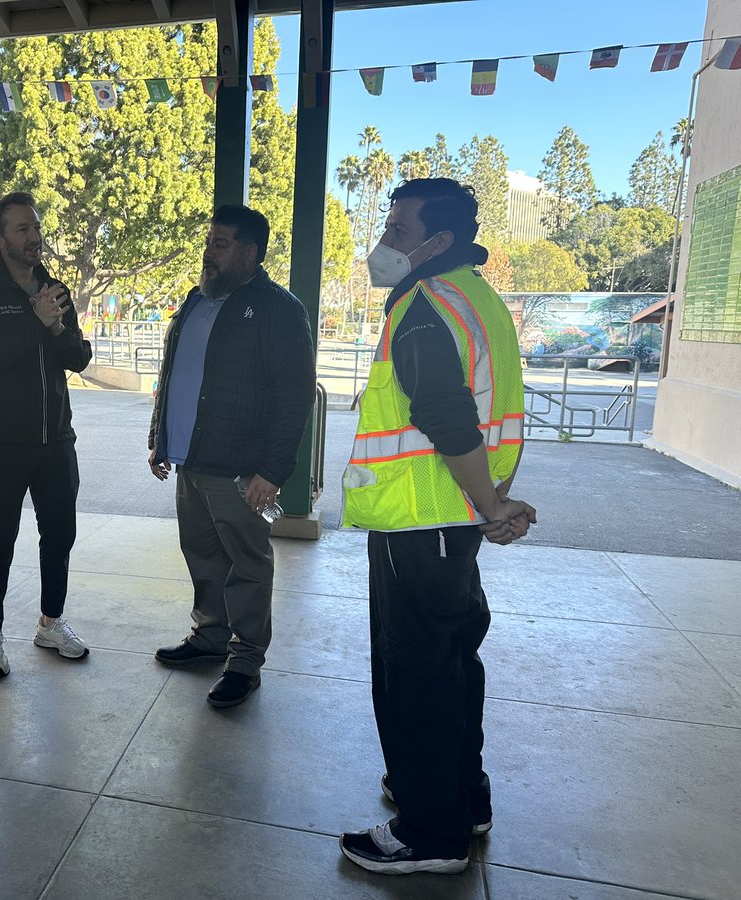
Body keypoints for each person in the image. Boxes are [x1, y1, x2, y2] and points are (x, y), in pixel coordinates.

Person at [338, 178, 537, 875]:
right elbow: (497, 407)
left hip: (420, 523)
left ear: (439, 240)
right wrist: (489, 503)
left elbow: (447, 414)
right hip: (453, 522)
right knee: (453, 666)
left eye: (399, 229)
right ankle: (461, 798)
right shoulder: (478, 298)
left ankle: (430, 832)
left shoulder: (424, 304)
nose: (384, 240)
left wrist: (490, 505)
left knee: (414, 676)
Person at [148, 204, 316, 708]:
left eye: (220, 245)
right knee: (202, 555)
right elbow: (172, 373)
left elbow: (295, 396)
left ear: (250, 252)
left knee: (247, 563)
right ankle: (210, 635)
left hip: (241, 470)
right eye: (208, 243)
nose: (209, 253)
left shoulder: (279, 309)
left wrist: (272, 470)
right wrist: (160, 436)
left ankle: (244, 659)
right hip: (190, 460)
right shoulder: (196, 300)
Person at [0, 192, 93, 678]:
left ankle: (51, 622)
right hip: (3, 441)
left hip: (56, 439)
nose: (34, 236)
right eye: (22, 229)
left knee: (60, 534)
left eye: (35, 226)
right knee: (0, 538)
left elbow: (78, 358)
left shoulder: (55, 290)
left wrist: (55, 328)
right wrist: (36, 323)